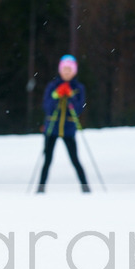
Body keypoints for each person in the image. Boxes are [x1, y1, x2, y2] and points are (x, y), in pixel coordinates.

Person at [37, 54, 90, 193]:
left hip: (69, 129)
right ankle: (40, 188)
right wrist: (56, 95)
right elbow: (46, 107)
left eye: (69, 70)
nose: (67, 73)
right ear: (60, 70)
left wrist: (71, 96)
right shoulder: (52, 86)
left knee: (75, 160)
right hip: (51, 129)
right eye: (64, 70)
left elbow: (79, 109)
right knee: (47, 160)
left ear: (74, 71)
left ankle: (85, 188)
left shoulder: (79, 88)